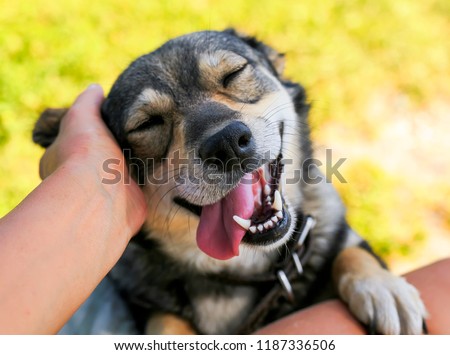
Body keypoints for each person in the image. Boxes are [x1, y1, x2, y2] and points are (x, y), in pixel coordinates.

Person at [0, 85, 448, 334]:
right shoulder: (136, 270)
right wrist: (85, 173)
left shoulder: (320, 213)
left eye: (234, 78)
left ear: (281, 81)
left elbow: (337, 242)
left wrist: (356, 266)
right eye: (150, 123)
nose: (222, 134)